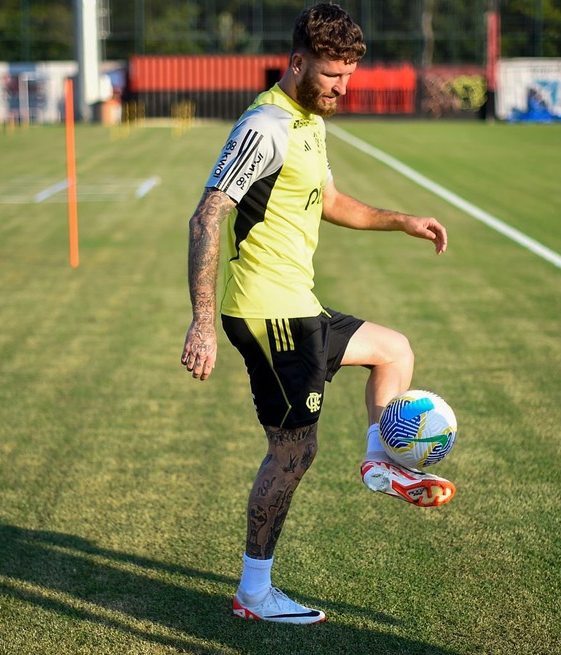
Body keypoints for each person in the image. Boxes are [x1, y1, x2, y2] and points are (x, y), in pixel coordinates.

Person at [181, 2, 455, 625]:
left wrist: (401, 220)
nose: (343, 87)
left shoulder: (310, 121)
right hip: (268, 312)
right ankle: (255, 592)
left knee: (394, 350)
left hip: (297, 305)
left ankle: (380, 462)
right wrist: (202, 320)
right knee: (293, 453)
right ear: (299, 61)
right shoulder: (265, 127)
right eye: (333, 75)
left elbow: (329, 201)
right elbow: (207, 215)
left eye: (350, 75)